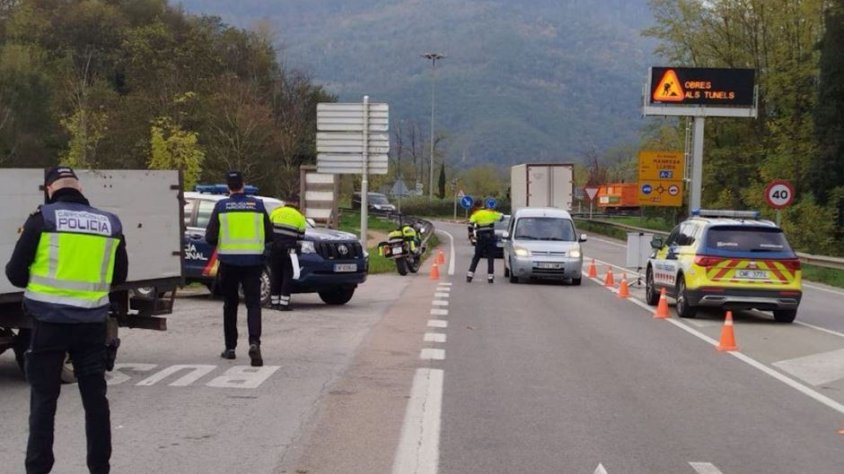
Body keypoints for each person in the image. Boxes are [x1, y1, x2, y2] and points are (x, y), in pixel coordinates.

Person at [5, 166, 128, 474]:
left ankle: (38, 469)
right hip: (91, 326)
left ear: (49, 189)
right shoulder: (109, 223)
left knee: (44, 401)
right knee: (95, 401)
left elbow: (15, 273)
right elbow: (119, 276)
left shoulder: (42, 220)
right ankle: (100, 468)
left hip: (49, 325)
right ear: (80, 187)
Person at [205, 171, 273, 367]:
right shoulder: (258, 206)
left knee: (230, 304)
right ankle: (254, 343)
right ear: (243, 184)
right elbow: (269, 236)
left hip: (228, 264)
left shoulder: (221, 206)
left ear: (228, 186)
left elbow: (210, 238)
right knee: (253, 304)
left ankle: (230, 348)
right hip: (253, 263)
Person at [268, 200, 306, 311]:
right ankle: (284, 304)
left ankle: (273, 303)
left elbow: (269, 230)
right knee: (287, 276)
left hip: (275, 249)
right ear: (297, 204)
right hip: (290, 251)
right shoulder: (299, 216)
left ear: (285, 203)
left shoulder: (276, 212)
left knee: (275, 275)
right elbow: (300, 237)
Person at [466, 203, 503, 283]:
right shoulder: (491, 213)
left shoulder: (476, 214)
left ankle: (470, 275)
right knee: (490, 257)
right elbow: (502, 217)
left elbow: (470, 225)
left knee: (476, 257)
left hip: (481, 239)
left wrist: (471, 235)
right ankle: (490, 277)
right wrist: (494, 212)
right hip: (490, 239)